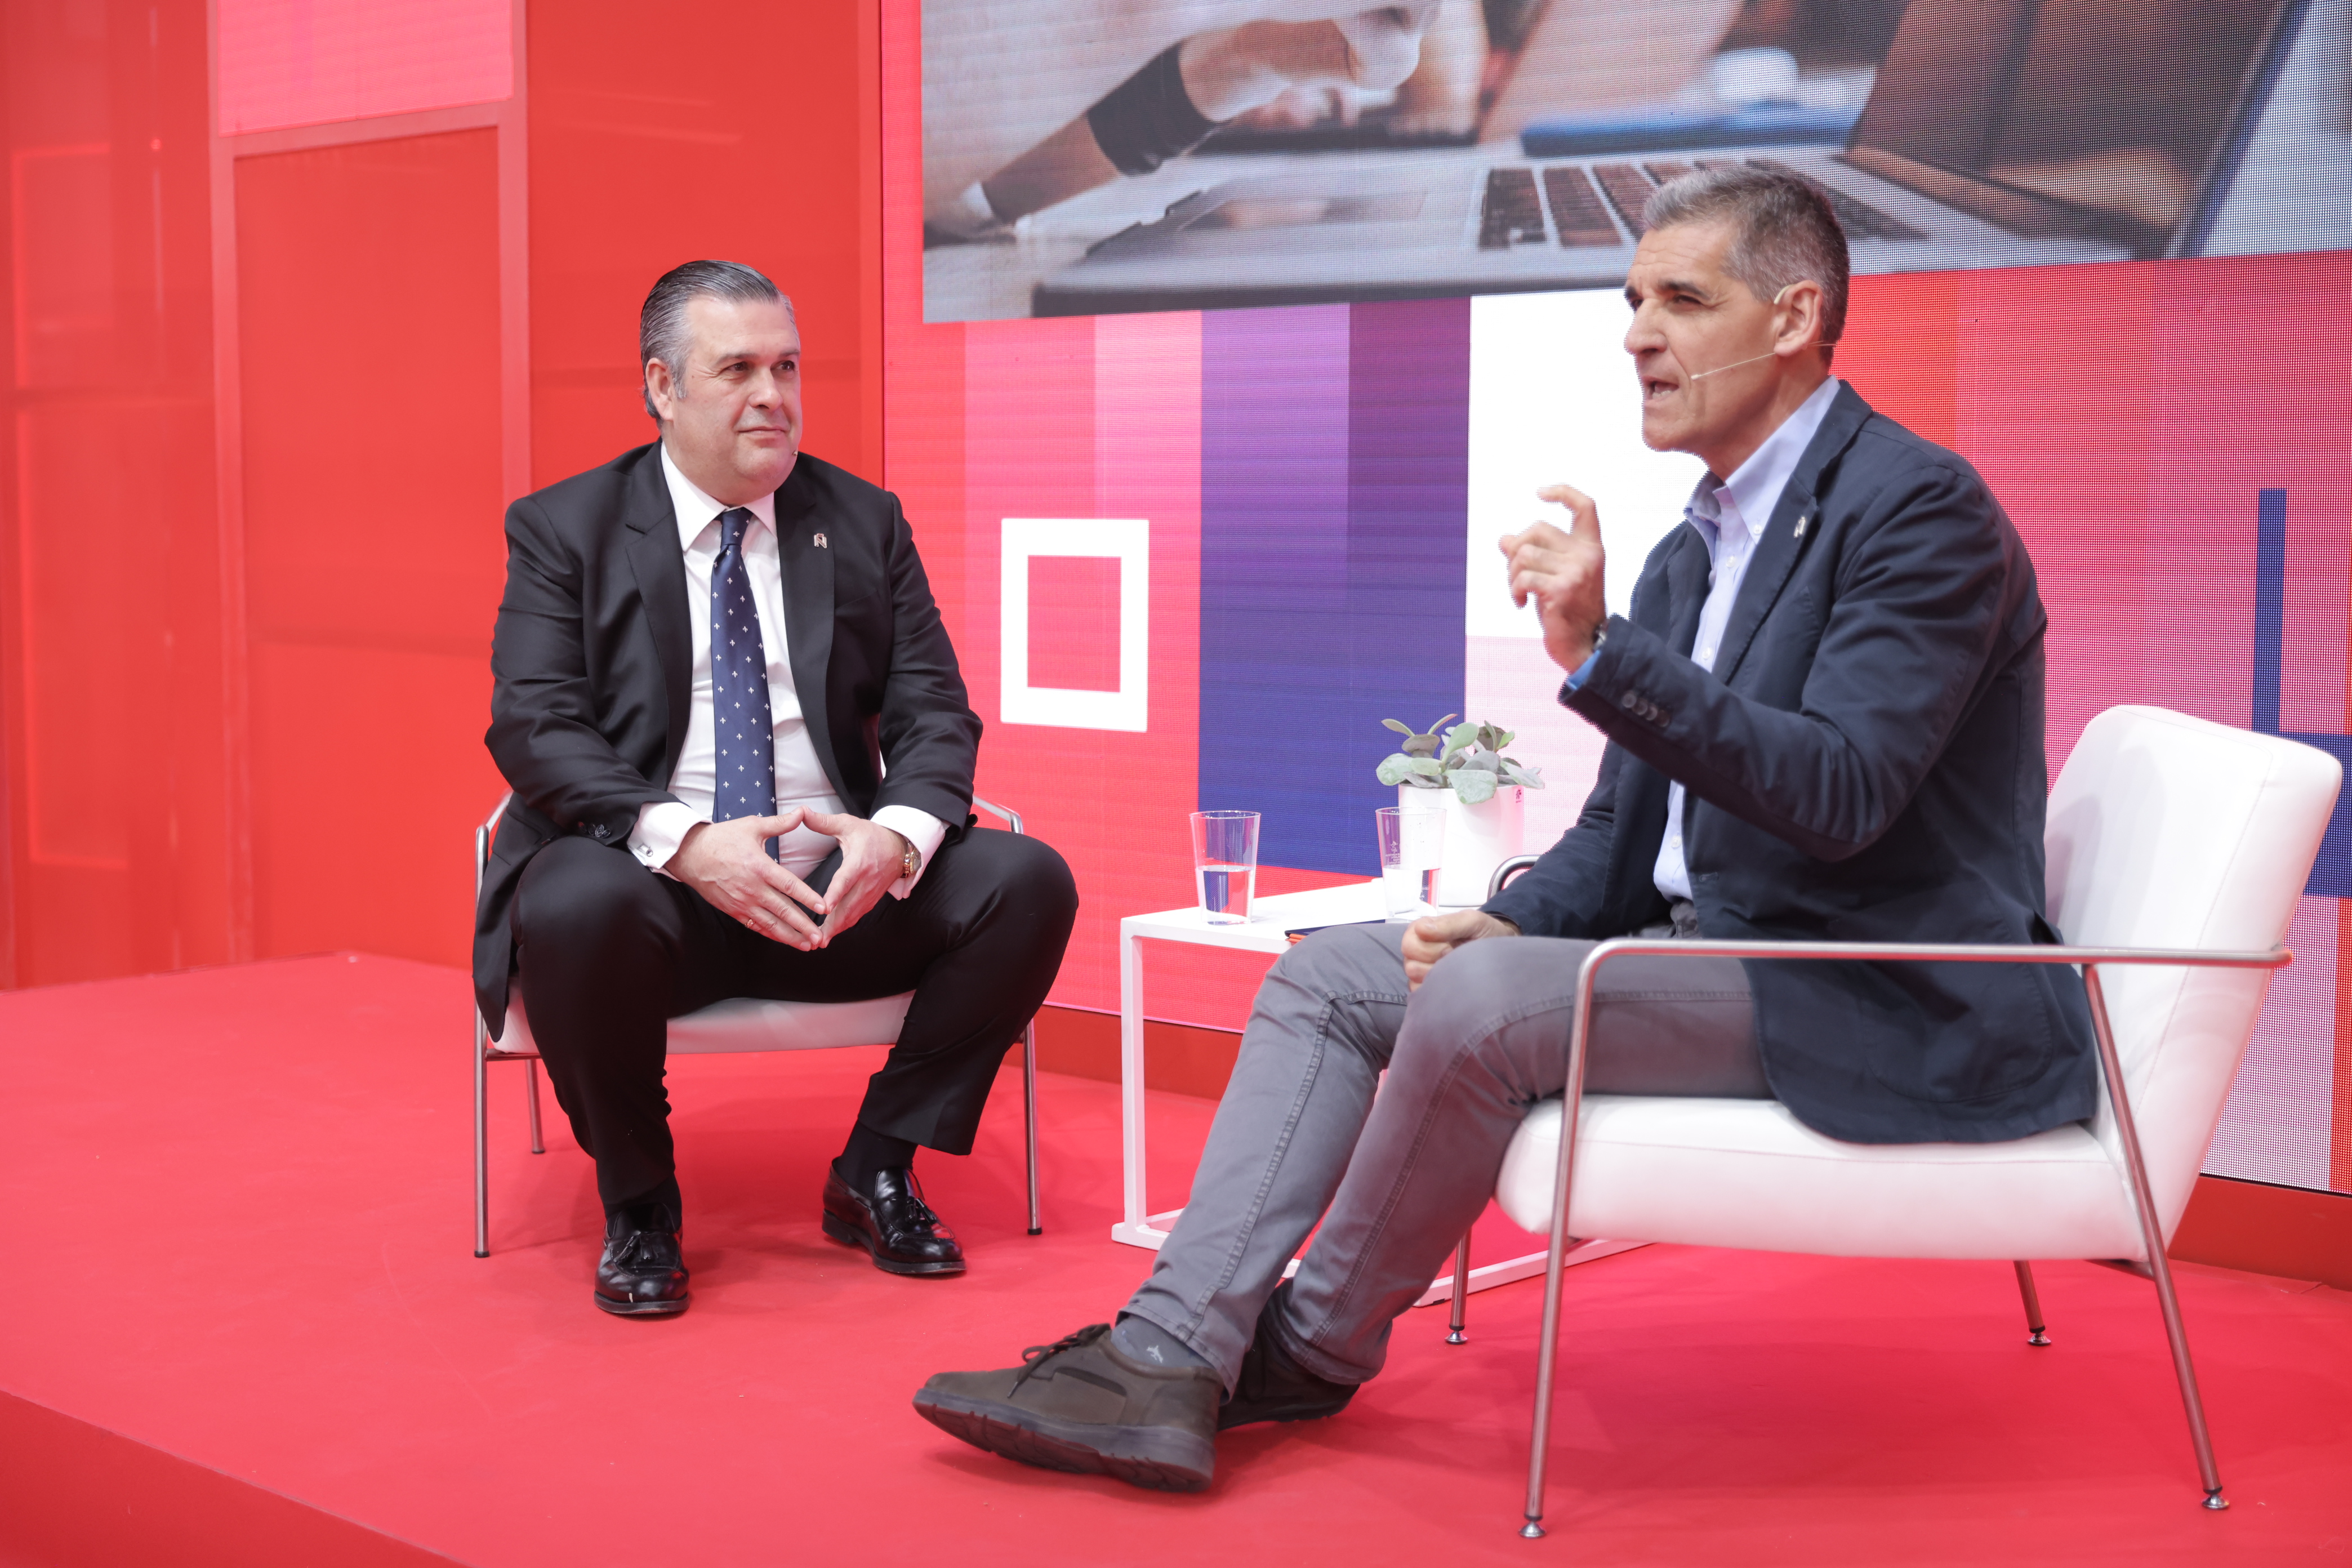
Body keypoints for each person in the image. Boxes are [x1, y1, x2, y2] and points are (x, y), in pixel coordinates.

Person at [910, 165, 2097, 1490]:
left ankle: (1306, 1346)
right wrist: (1510, 919)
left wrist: (1604, 654)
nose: (1637, 335)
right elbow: (1624, 826)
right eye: (1632, 301)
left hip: (1865, 983)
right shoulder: (1694, 551)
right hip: (1708, 952)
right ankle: (1170, 1352)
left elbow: (1842, 796)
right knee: (1330, 977)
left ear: (1794, 318)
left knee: (1480, 1007)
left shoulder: (1920, 511)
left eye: (1682, 300)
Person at [475, 260, 1078, 1318]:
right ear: (663, 387)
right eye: (739, 369)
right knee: (572, 898)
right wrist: (685, 842)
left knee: (1026, 881)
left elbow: (936, 710)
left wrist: (895, 836)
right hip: (662, 898)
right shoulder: (566, 527)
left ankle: (877, 1165)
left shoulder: (862, 520)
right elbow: (536, 726)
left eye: (788, 368)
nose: (773, 395)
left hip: (836, 893)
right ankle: (640, 1203)